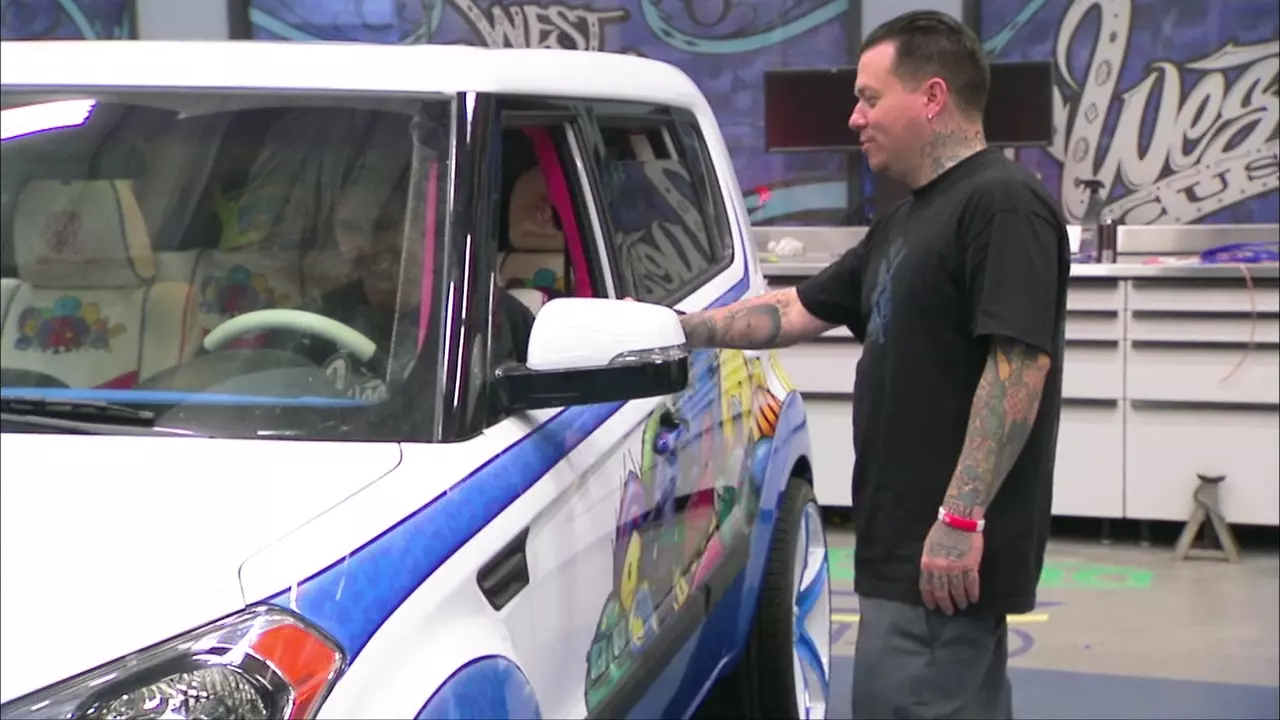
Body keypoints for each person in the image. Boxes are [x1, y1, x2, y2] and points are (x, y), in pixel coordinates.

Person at [670, 10, 1069, 719]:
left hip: (941, 558)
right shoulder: (907, 221)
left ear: (933, 97)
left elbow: (1018, 367)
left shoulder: (1002, 205)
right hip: (902, 548)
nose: (855, 118)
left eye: (869, 98)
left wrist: (960, 520)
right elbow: (794, 310)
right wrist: (675, 329)